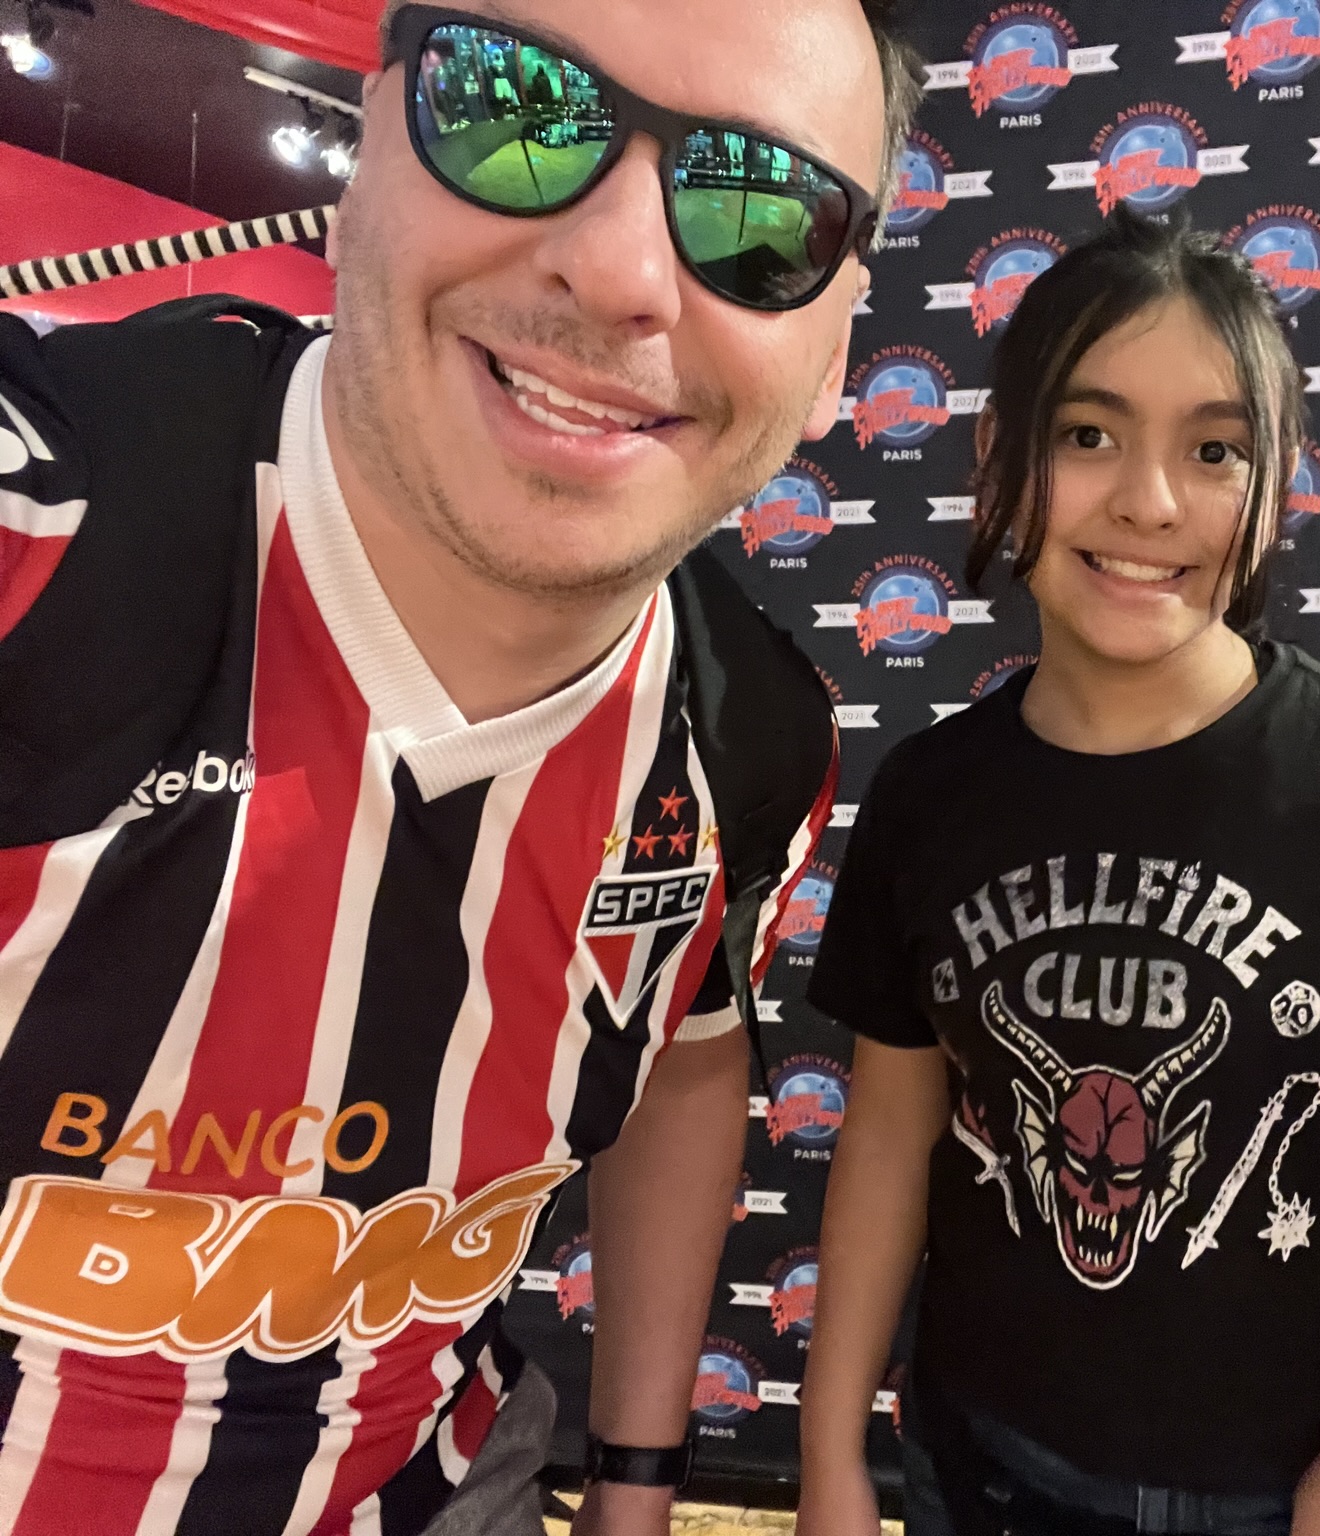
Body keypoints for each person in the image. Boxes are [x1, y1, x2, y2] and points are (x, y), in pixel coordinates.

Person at [0, 2, 921, 1533]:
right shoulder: (46, 529)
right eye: (515, 110)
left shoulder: (749, 740)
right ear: (366, 145)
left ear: (835, 349)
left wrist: (636, 1486)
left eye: (760, 210)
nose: (620, 273)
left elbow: (687, 1054)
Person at [796, 210, 1320, 1536]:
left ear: (1275, 490)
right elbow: (887, 1127)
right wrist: (830, 1449)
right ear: (999, 458)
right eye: (1086, 434)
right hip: (981, 1466)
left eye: (1216, 450)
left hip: (1305, 1494)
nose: (1150, 501)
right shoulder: (932, 794)